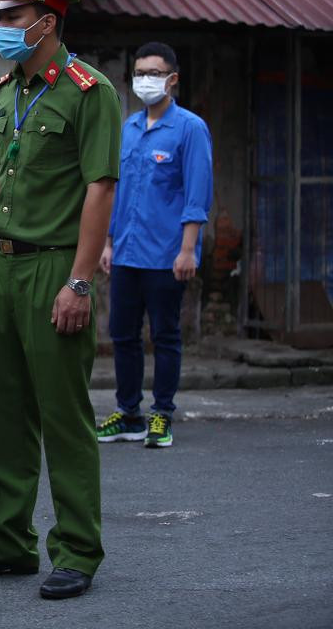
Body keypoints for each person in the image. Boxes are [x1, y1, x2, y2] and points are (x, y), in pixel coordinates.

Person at [0, 0, 122, 600]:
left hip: (54, 265)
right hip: (3, 270)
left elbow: (100, 189)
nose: (1, 28)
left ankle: (76, 549)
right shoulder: (9, 91)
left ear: (45, 22)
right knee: (5, 410)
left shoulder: (88, 90)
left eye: (11, 17)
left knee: (63, 416)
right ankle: (9, 542)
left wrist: (79, 282)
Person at [98, 42, 212, 448]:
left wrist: (187, 249)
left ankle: (161, 413)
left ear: (172, 79)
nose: (146, 80)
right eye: (140, 73)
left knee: (164, 335)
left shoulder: (190, 129)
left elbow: (197, 195)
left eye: (154, 73)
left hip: (167, 255)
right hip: (126, 252)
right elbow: (116, 192)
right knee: (122, 335)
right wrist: (107, 243)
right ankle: (128, 413)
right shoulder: (127, 128)